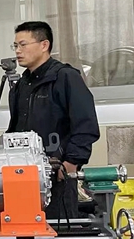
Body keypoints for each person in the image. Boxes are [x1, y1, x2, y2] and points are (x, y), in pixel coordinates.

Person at [7, 21, 100, 219]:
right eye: (15, 46)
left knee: (59, 230)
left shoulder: (65, 77)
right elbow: (15, 128)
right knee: (26, 229)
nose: (18, 51)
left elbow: (86, 125)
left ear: (44, 45)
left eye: (23, 44)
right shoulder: (21, 85)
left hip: (57, 174)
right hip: (24, 174)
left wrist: (71, 162)